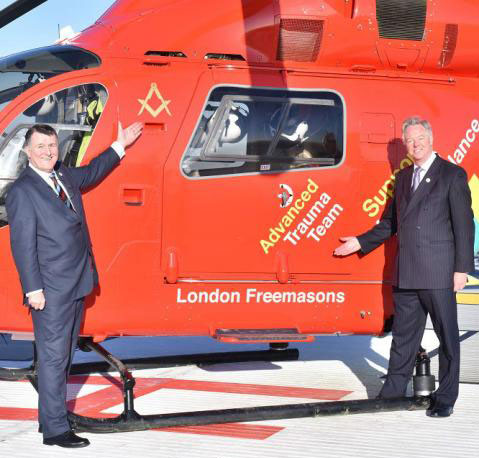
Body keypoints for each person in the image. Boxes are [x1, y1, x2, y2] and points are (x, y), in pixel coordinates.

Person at [5, 121, 143, 447]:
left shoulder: (64, 176)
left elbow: (93, 172)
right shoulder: (23, 191)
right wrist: (33, 289)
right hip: (50, 290)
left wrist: (119, 145)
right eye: (40, 147)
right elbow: (22, 245)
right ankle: (55, 431)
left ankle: (49, 419)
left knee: (63, 356)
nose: (47, 152)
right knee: (53, 359)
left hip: (77, 282)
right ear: (27, 151)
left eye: (51, 146)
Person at [334, 116, 474, 418]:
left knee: (447, 338)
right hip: (407, 272)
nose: (415, 144)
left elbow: (465, 226)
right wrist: (361, 241)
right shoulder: (403, 178)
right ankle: (392, 393)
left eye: (419, 137)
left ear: (431, 138)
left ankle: (446, 397)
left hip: (438, 272)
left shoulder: (452, 175)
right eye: (409, 140)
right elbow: (391, 223)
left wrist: (461, 269)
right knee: (403, 340)